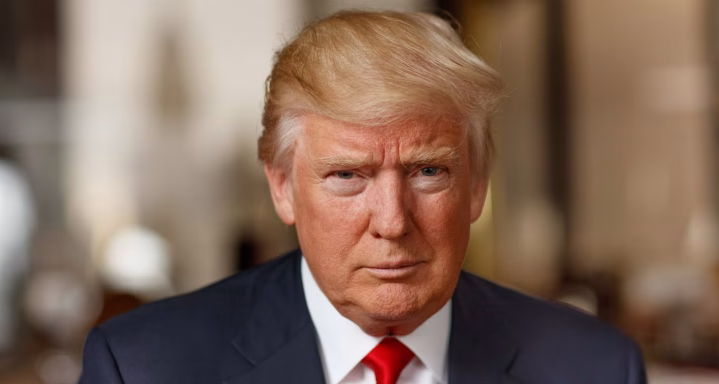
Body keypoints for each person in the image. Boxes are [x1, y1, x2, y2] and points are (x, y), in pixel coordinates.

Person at [79, 10, 647, 384]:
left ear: (477, 185)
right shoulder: (144, 368)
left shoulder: (594, 369)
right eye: (348, 176)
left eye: (428, 171)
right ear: (282, 187)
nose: (393, 223)